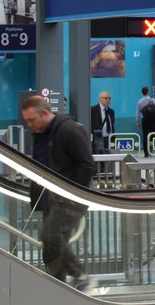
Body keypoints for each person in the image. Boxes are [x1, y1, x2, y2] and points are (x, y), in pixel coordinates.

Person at [21, 94, 95, 290]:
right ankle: (65, 282)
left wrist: (73, 193)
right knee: (52, 239)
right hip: (50, 196)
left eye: (31, 120)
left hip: (69, 197)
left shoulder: (69, 131)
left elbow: (87, 165)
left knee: (51, 237)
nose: (29, 124)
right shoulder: (40, 132)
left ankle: (66, 279)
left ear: (44, 113)